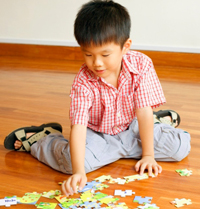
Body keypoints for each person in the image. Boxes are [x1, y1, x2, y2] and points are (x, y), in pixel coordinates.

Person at [4, 0, 191, 196]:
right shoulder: (83, 82)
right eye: (88, 54)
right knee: (71, 163)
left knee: (179, 147)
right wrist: (78, 172)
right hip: (99, 135)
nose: (97, 63)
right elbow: (79, 127)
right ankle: (42, 140)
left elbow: (143, 110)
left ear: (125, 46)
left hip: (133, 125)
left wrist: (149, 155)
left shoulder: (141, 65)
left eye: (105, 54)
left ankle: (155, 122)